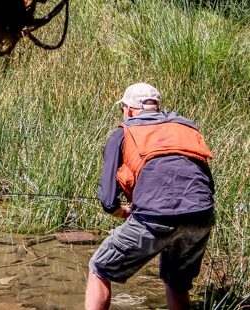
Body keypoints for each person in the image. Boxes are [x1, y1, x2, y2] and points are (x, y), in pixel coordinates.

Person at [85, 83, 215, 310]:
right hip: (201, 215)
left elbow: (108, 199)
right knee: (177, 282)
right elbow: (206, 182)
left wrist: (121, 211)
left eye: (123, 108)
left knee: (99, 267)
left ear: (129, 109)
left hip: (155, 217)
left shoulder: (123, 133)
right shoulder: (187, 128)